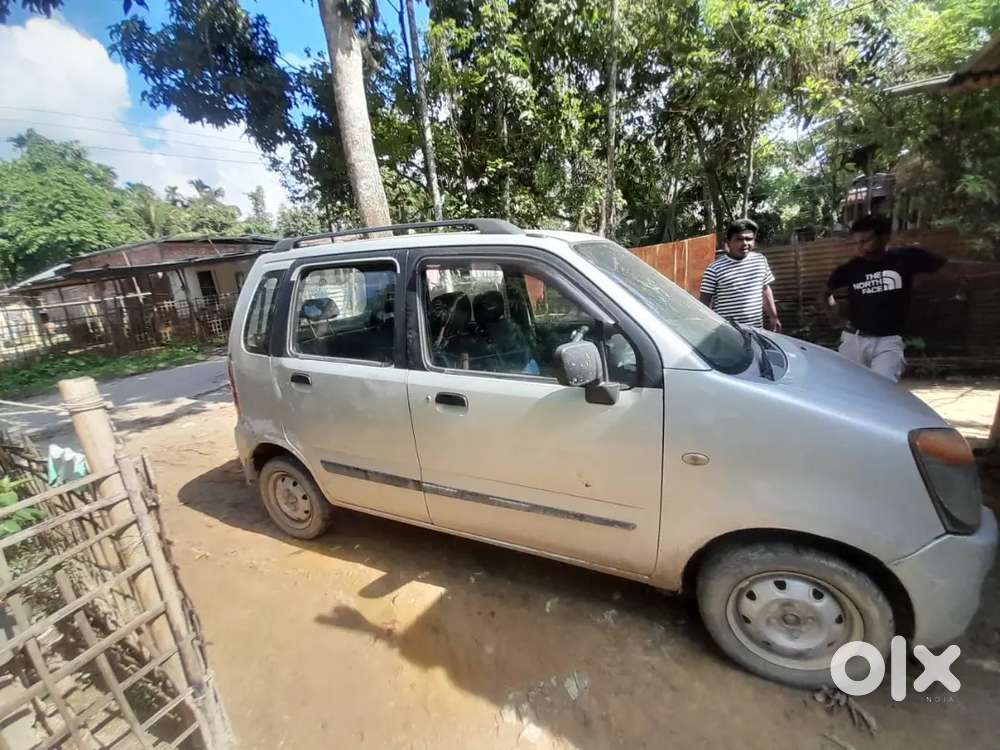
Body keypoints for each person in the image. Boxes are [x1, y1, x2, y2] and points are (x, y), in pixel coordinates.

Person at [825, 214, 946, 382]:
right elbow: (825, 292)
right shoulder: (851, 268)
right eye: (857, 242)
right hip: (853, 339)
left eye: (866, 241)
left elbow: (947, 268)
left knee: (884, 388)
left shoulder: (907, 258)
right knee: (849, 389)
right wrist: (832, 311)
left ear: (885, 237)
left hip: (888, 340)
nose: (861, 247)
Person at [699, 218, 781, 331]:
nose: (745, 243)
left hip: (756, 330)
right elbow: (704, 302)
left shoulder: (760, 261)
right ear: (728, 242)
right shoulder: (714, 269)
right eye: (739, 239)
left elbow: (765, 290)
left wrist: (773, 317)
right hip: (727, 332)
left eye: (749, 239)